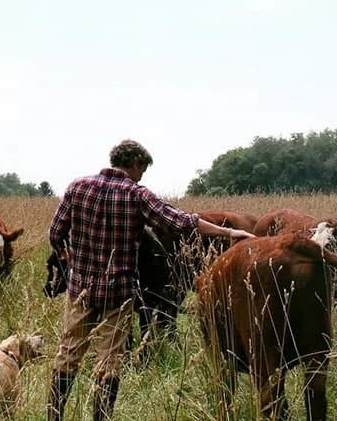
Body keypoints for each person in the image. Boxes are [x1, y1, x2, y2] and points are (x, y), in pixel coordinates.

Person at [46, 139, 255, 421]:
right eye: (143, 169)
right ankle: (100, 418)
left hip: (79, 290)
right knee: (109, 363)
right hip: (117, 293)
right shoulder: (136, 194)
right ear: (136, 164)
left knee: (68, 355)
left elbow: (55, 232)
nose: (142, 175)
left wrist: (66, 256)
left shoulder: (77, 187)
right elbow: (180, 221)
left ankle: (54, 416)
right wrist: (228, 234)